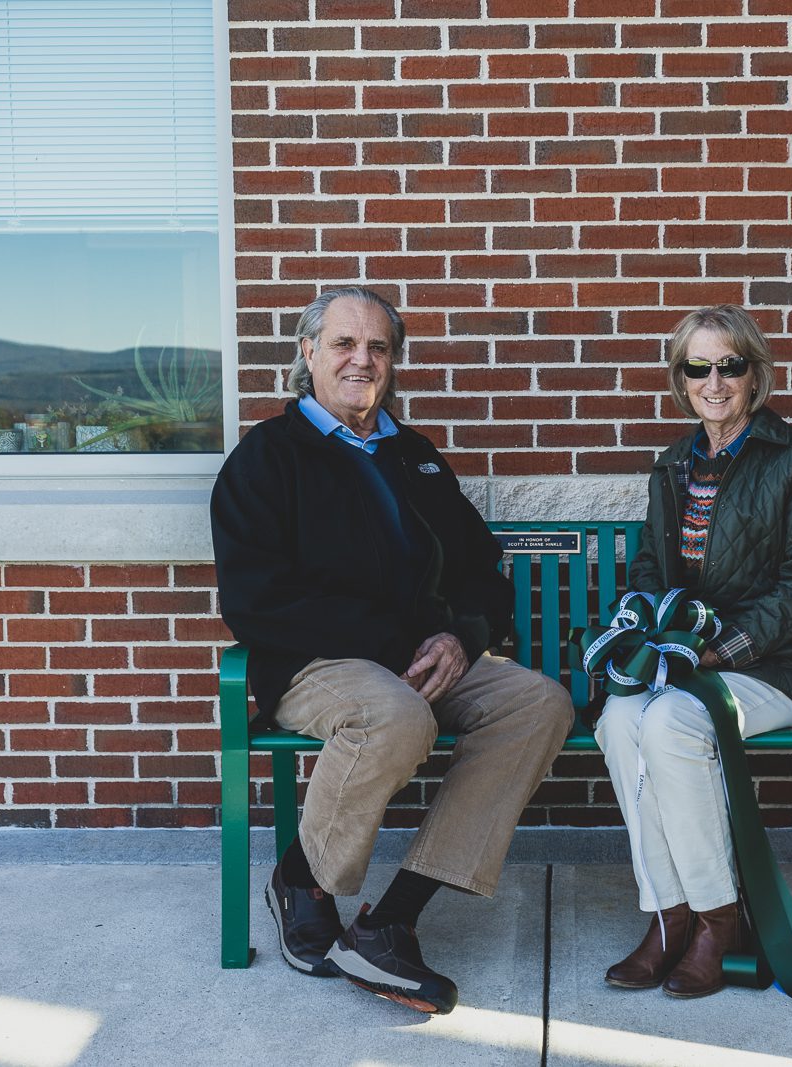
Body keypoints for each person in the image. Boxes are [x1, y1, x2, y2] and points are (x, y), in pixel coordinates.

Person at [210, 287, 575, 1015]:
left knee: (539, 703)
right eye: (343, 343)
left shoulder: (414, 457)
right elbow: (255, 601)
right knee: (399, 716)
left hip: (424, 660)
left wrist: (463, 637)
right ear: (307, 353)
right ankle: (304, 880)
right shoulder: (265, 461)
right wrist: (388, 642)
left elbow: (481, 569)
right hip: (320, 662)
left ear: (393, 362)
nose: (361, 359)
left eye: (377, 347)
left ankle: (390, 921)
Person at [594, 305, 792, 999]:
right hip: (683, 664)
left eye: (729, 364)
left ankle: (718, 918)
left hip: (777, 665)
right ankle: (669, 914)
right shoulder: (673, 464)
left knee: (672, 723)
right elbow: (649, 568)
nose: (714, 380)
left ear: (754, 372)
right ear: (681, 377)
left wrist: (722, 648)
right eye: (697, 366)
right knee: (618, 718)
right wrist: (648, 629)